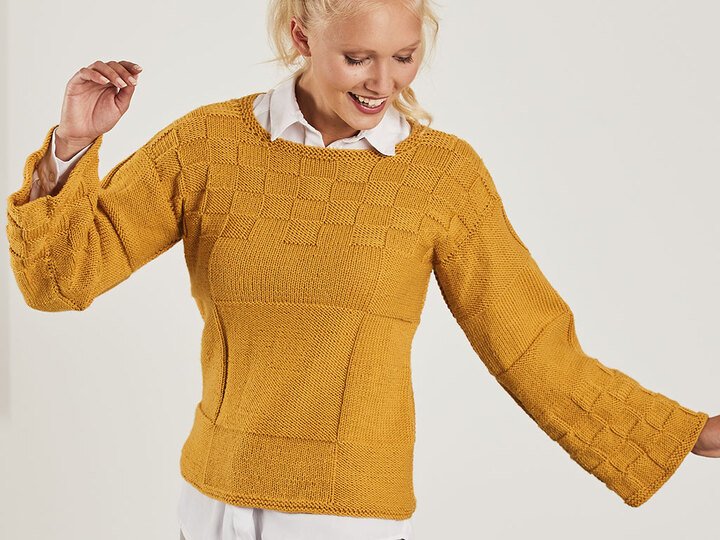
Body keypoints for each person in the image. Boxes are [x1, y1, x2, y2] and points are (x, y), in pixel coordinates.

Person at [6, 1, 720, 539]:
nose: (385, 81)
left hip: (345, 515)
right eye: (358, 58)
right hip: (211, 497)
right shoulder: (208, 145)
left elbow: (528, 342)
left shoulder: (442, 176)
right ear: (302, 37)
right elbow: (59, 281)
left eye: (405, 56)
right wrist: (73, 142)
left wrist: (675, 434)